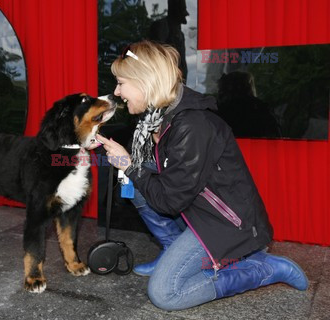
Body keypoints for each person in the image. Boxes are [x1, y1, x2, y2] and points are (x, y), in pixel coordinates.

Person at [95, 40, 308, 310]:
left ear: (146, 81)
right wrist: (108, 148)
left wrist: (128, 164)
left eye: (121, 82)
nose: (117, 91)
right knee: (135, 180)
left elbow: (168, 201)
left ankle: (261, 269)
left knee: (164, 293)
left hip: (227, 224)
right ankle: (173, 249)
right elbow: (157, 173)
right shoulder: (160, 115)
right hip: (197, 209)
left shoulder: (193, 125)